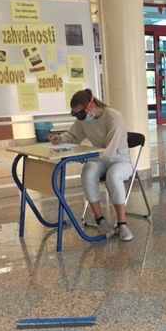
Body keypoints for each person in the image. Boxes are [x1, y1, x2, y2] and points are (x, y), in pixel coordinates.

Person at [48, 88, 134, 241]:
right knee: (88, 172)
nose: (79, 118)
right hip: (98, 158)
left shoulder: (113, 117)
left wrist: (86, 157)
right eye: (75, 115)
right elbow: (74, 135)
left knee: (113, 175)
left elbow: (110, 150)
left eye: (80, 114)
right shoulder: (84, 118)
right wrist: (60, 138)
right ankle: (100, 220)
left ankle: (122, 224)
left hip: (119, 158)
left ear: (91, 106)